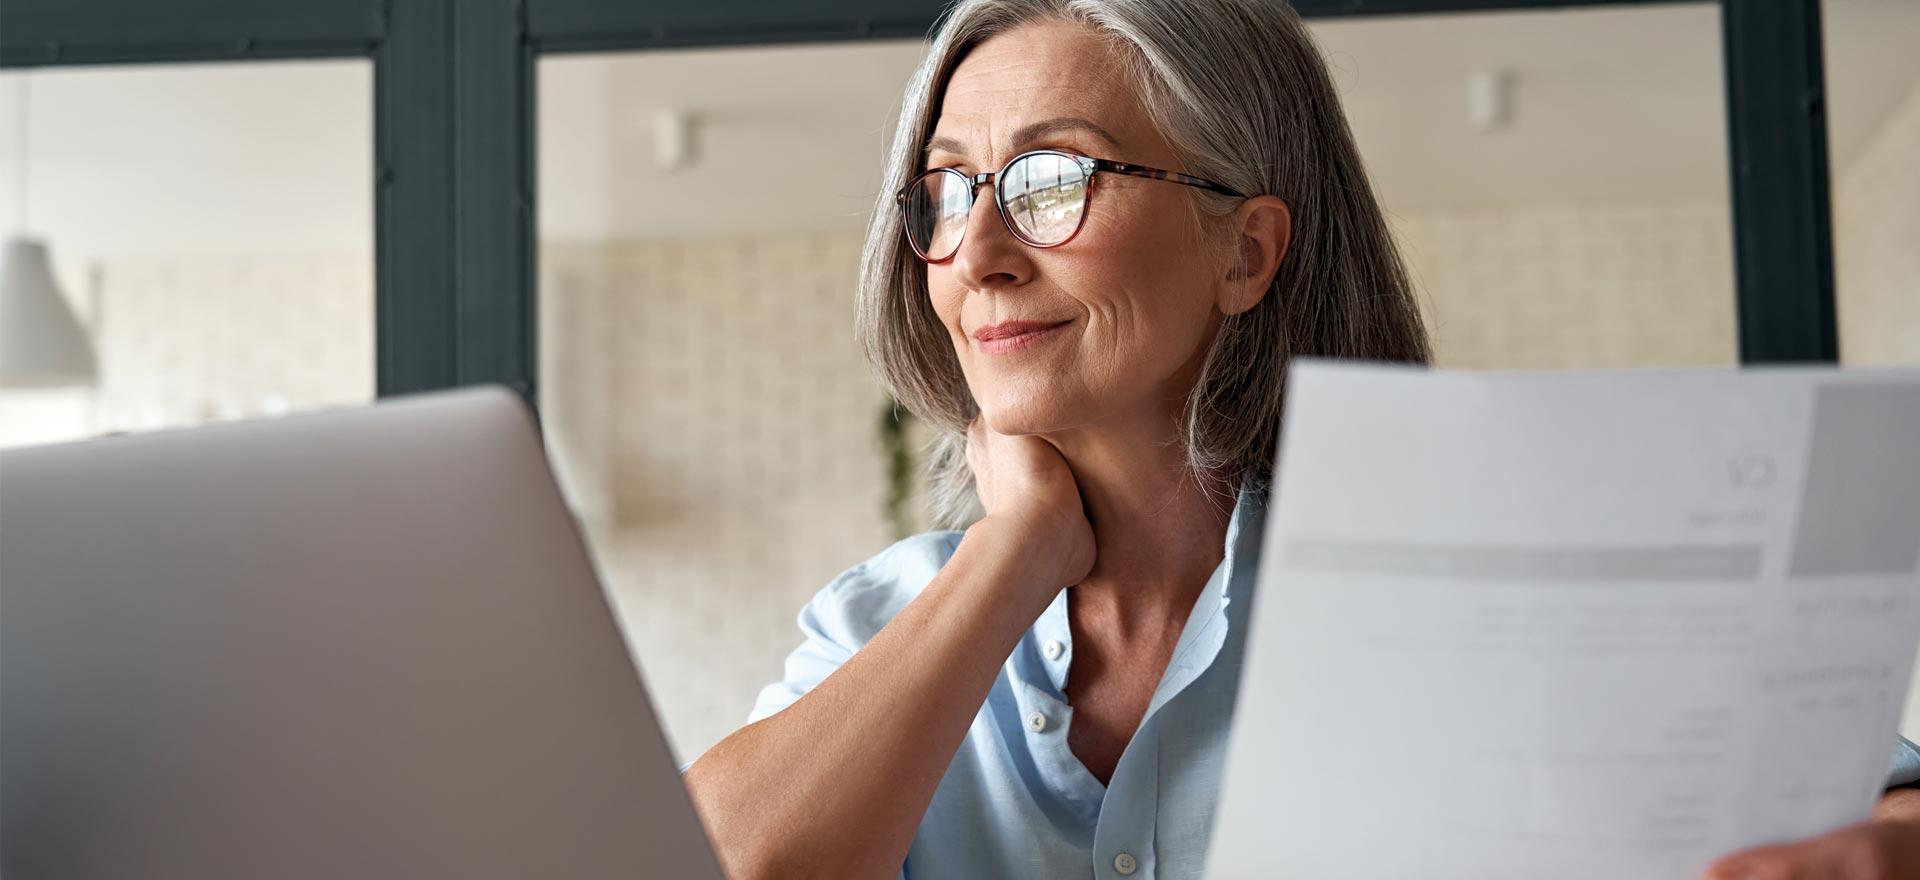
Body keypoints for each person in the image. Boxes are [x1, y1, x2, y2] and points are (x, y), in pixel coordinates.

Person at [682, 1, 1920, 877]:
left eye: (1052, 179)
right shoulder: (875, 625)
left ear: (1247, 250)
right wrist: (1016, 549)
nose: (981, 254)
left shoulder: (1466, 582)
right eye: (945, 192)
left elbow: (1877, 797)